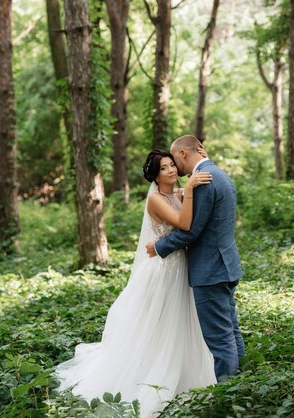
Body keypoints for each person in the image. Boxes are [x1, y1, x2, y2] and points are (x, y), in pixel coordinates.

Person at [54, 149, 216, 418]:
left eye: (172, 165)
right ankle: (154, 374)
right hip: (163, 271)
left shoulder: (177, 194)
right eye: (164, 168)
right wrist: (189, 190)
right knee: (160, 323)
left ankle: (186, 373)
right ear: (155, 175)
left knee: (182, 321)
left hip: (181, 267)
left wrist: (189, 190)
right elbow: (185, 224)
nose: (171, 171)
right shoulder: (155, 199)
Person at [146, 135, 245, 382]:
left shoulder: (203, 181)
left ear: (182, 154)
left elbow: (191, 230)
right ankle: (243, 381)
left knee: (220, 338)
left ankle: (228, 391)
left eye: (173, 162)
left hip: (210, 269)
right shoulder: (220, 174)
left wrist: (159, 246)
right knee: (231, 329)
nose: (173, 169)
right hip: (226, 264)